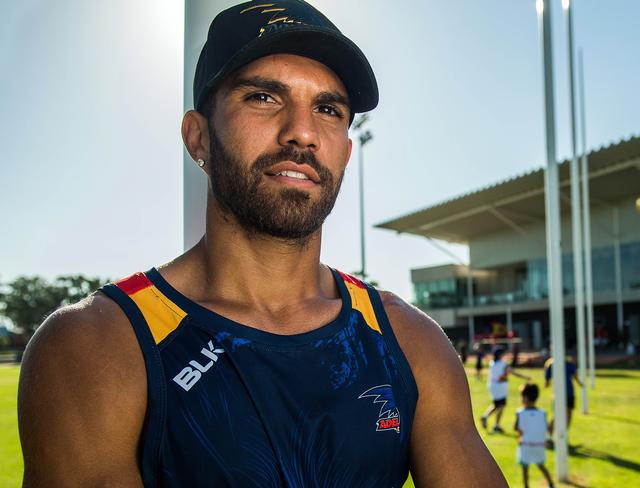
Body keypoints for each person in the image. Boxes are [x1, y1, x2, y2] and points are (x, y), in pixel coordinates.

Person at [17, 1, 507, 486]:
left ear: (346, 151)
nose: (303, 132)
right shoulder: (97, 345)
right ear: (198, 138)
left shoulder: (409, 341)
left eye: (328, 109)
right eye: (263, 98)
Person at [481, 347, 531, 433]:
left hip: (492, 386)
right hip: (500, 387)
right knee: (501, 406)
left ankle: (485, 416)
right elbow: (514, 372)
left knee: (496, 404)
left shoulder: (492, 363)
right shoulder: (503, 364)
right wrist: (525, 377)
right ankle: (496, 425)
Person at [514, 383, 555, 488]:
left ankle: (526, 486)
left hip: (526, 445)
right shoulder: (543, 413)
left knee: (525, 469)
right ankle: (551, 484)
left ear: (526, 398)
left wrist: (519, 436)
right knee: (541, 465)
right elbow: (546, 428)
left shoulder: (520, 413)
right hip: (539, 445)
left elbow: (517, 429)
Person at [544, 356, 582, 434]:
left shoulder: (551, 364)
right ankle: (561, 435)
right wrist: (579, 383)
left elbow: (547, 382)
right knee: (568, 415)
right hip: (569, 392)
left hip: (558, 393)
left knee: (558, 415)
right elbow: (575, 376)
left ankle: (550, 435)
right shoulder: (568, 363)